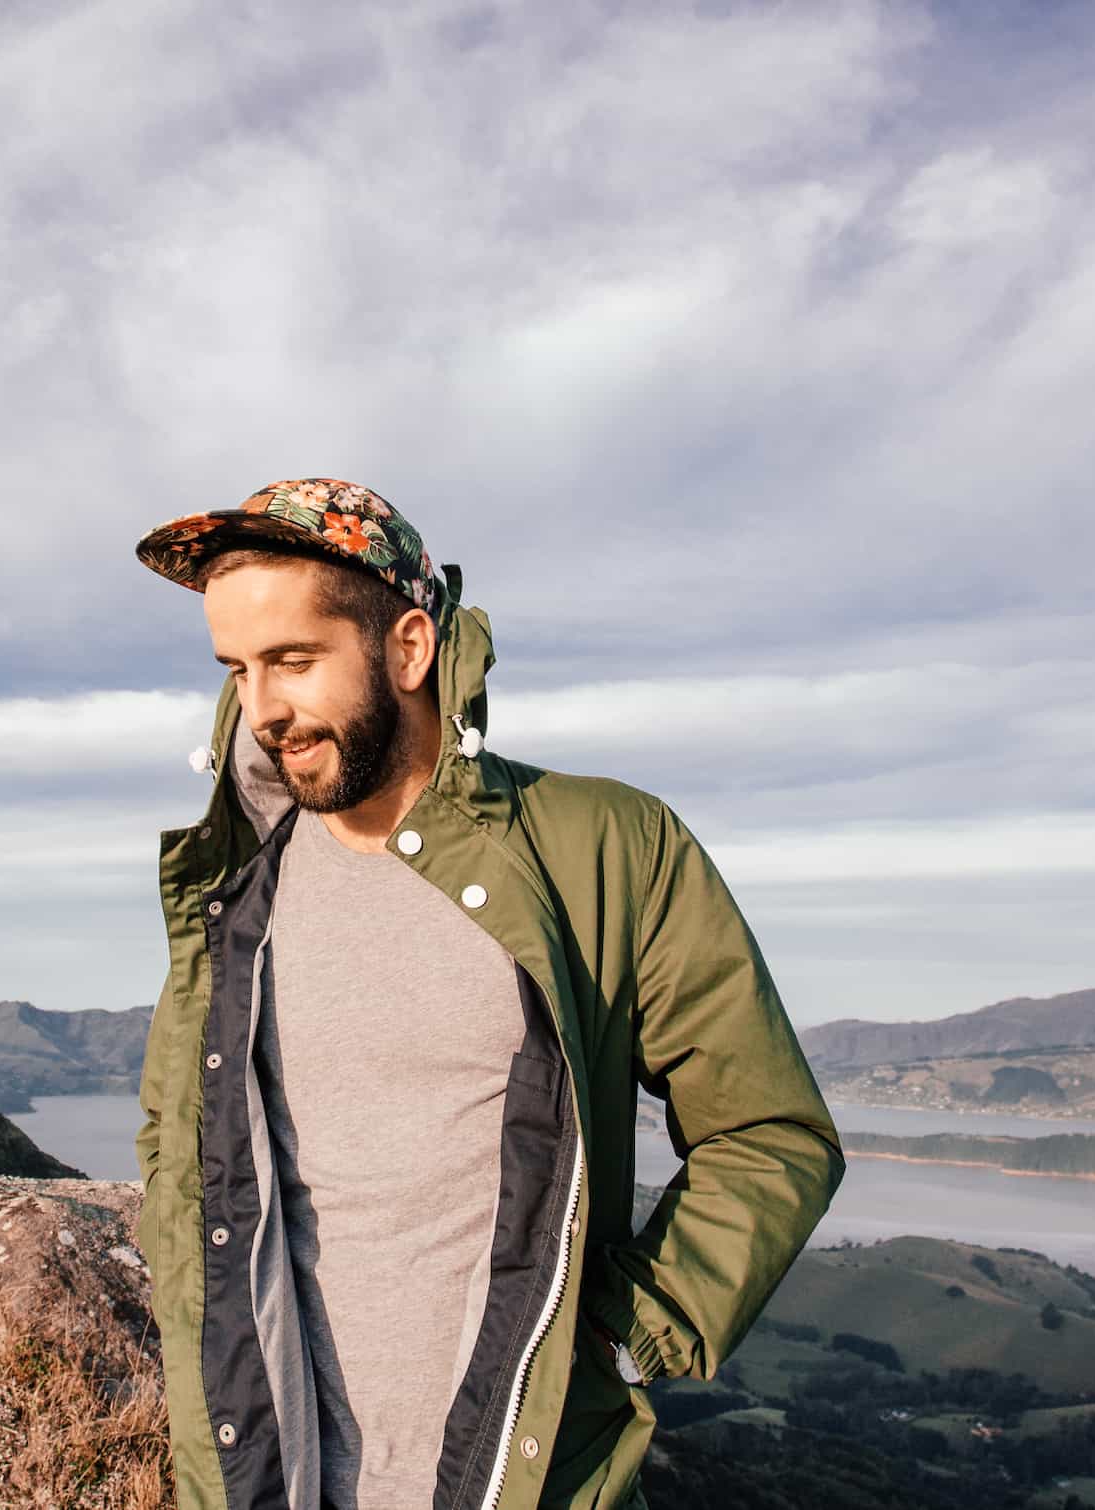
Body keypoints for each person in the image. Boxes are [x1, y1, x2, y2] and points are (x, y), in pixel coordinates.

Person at [130, 478, 842, 1510]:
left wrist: (628, 1331)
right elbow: (177, 1132)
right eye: (238, 669)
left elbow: (770, 1130)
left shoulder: (608, 846)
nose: (263, 707)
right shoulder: (238, 882)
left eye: (292, 659)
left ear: (409, 648)